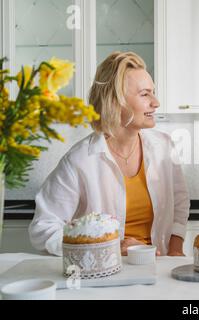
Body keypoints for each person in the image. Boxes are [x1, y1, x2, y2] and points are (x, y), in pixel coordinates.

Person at [29, 52, 190, 257]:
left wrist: (175, 250)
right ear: (116, 101)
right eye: (145, 94)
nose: (156, 102)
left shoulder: (163, 146)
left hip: (159, 267)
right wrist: (107, 247)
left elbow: (180, 202)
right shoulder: (80, 160)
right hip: (104, 273)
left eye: (153, 92)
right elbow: (43, 229)